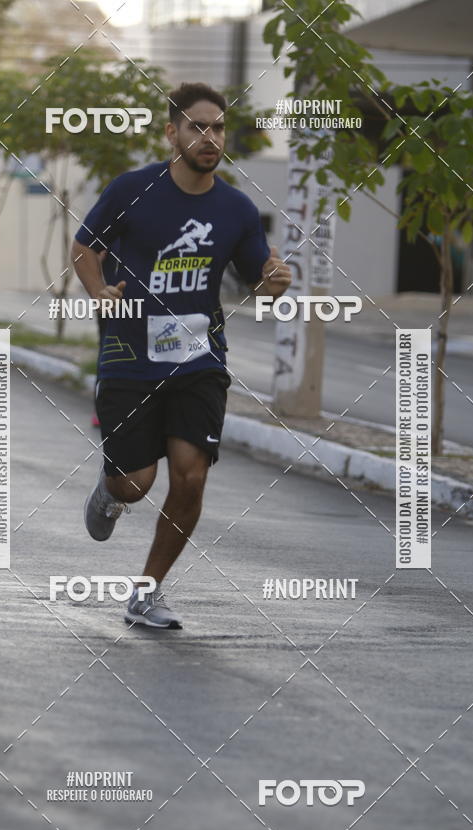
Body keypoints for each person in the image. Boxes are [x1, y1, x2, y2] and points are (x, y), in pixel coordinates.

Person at [72, 82, 290, 630]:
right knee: (136, 483)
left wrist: (275, 281)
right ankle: (110, 489)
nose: (209, 136)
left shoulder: (236, 208)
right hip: (129, 355)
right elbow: (84, 247)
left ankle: (147, 591)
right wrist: (99, 291)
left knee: (190, 477)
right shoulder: (131, 190)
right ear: (172, 132)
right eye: (197, 125)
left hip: (199, 359)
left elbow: (257, 279)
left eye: (218, 126)